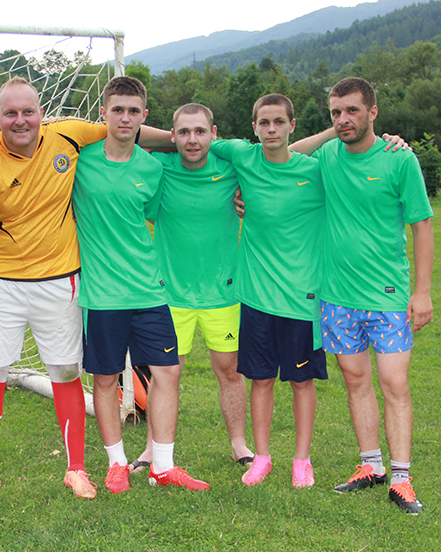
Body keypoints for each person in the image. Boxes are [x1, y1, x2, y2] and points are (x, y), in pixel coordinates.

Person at [0, 77, 170, 506]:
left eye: (28, 111)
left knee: (65, 373)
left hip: (61, 280)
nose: (20, 120)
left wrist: (182, 140)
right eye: (11, 113)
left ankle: (76, 469)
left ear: (40, 114)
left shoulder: (68, 134)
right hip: (0, 284)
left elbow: (127, 129)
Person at [73, 76, 209, 494]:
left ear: (144, 116)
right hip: (102, 294)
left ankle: (162, 466)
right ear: (104, 113)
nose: (125, 118)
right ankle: (116, 464)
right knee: (105, 378)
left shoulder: (152, 168)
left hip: (149, 290)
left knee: (168, 371)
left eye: (134, 111)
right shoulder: (80, 161)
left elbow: (150, 211)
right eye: (118, 109)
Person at [315, 77, 434, 514]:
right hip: (336, 296)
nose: (343, 119)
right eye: (336, 112)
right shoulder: (327, 156)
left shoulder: (399, 159)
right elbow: (282, 158)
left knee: (394, 384)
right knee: (355, 380)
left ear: (373, 112)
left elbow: (421, 227)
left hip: (387, 296)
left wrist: (422, 292)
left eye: (352, 110)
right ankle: (371, 465)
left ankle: (401, 479)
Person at [209, 94, 328, 488]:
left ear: (292, 125)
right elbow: (192, 140)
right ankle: (261, 458)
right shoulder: (242, 157)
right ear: (254, 127)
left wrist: (391, 140)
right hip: (256, 296)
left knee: (301, 381)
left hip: (301, 298)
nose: (271, 129)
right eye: (264, 122)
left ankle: (302, 460)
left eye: (279, 122)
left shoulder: (315, 171)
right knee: (260, 380)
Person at [129, 103, 254, 473]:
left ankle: (239, 444)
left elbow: (275, 157)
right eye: (183, 132)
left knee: (230, 371)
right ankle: (151, 449)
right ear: (172, 136)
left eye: (200, 131)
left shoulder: (231, 168)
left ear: (214, 134)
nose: (192, 139)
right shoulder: (159, 168)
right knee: (165, 374)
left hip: (224, 291)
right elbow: (126, 133)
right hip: (170, 293)